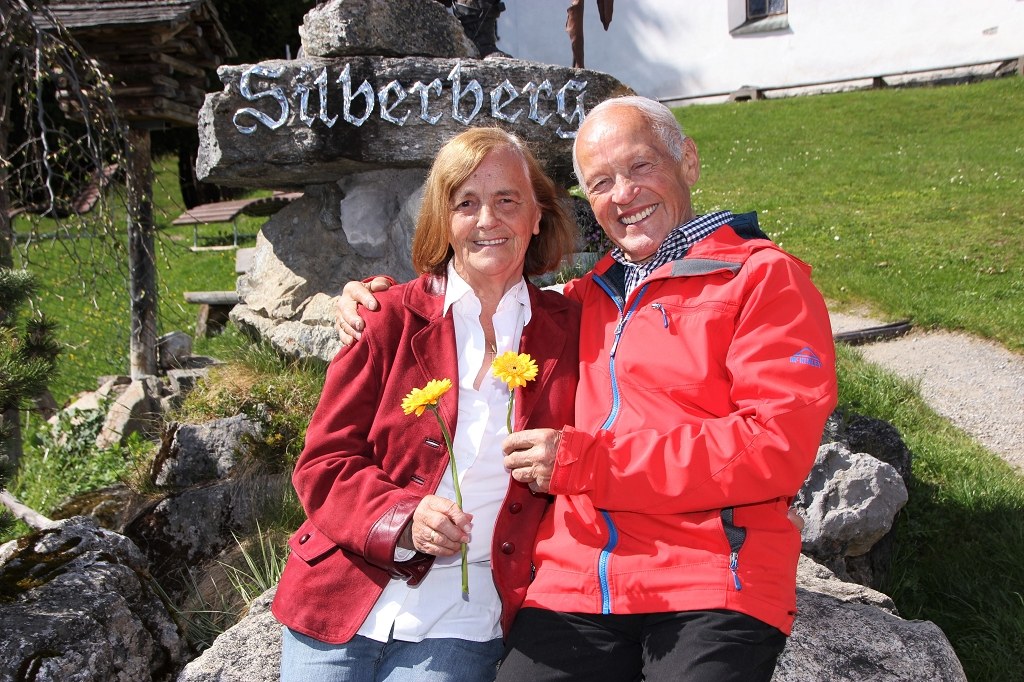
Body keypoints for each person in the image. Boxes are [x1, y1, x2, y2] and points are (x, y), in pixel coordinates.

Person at [336, 95, 838, 681]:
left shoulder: (762, 279)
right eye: (601, 183)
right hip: (576, 585)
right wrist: (380, 302)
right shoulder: (582, 301)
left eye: (640, 166)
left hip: (709, 578)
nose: (623, 194)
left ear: (688, 161)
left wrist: (592, 464)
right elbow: (485, 298)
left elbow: (774, 446)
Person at [273, 127, 580, 682]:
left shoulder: (574, 328)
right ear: (443, 219)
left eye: (507, 200)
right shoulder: (383, 317)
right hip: (342, 589)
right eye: (466, 203)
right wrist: (402, 519)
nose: (487, 220)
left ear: (537, 215)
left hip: (467, 611)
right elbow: (322, 464)